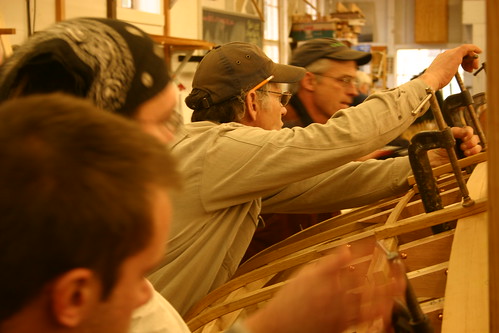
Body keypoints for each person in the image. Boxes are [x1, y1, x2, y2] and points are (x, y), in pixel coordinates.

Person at [0, 18, 407, 333]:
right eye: (160, 123)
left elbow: (331, 182)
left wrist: (419, 166)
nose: (172, 141)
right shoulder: (213, 153)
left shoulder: (92, 247)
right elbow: (339, 140)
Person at [147, 40, 482, 316]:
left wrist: (425, 162)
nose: (283, 111)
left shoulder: (236, 168)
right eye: (281, 98)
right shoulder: (217, 151)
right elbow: (340, 138)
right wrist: (430, 80)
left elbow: (338, 183)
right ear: (251, 102)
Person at [244, 38, 374, 261]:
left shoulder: (314, 133)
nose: (353, 91)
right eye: (344, 80)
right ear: (310, 81)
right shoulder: (284, 139)